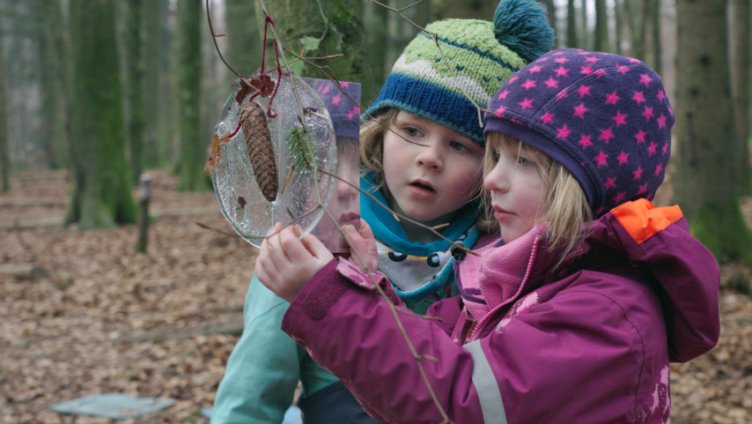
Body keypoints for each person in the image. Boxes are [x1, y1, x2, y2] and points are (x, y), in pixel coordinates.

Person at [256, 48, 721, 423]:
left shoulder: (608, 312)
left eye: (523, 162)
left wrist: (329, 302)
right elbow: (434, 365)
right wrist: (361, 283)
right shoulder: (523, 277)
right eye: (495, 157)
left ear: (585, 185)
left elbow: (457, 402)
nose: (493, 180)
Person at [210, 1, 554, 422]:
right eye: (412, 130)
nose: (430, 157)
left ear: (492, 163)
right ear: (381, 130)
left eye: (460, 144)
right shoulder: (318, 235)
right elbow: (251, 397)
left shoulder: (503, 258)